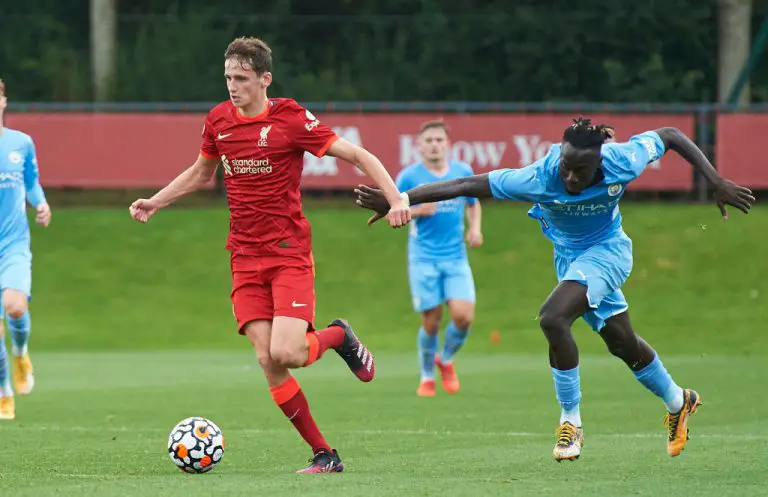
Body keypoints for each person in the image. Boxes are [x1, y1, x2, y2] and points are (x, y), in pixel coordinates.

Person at [355, 117, 754, 461]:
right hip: (570, 259)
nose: (570, 177)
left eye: (580, 171)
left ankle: (571, 422)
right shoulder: (539, 177)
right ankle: (678, 400)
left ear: (601, 160)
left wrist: (715, 181)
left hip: (609, 253)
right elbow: (466, 184)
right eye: (565, 167)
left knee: (553, 317)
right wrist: (398, 200)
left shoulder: (624, 159)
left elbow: (669, 135)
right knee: (621, 342)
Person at [129, 37, 411, 473]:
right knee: (267, 359)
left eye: (241, 78)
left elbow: (356, 154)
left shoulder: (290, 118)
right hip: (243, 257)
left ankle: (338, 336)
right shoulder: (218, 120)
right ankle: (324, 454)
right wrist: (156, 201)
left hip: (288, 254)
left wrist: (395, 199)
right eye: (227, 77)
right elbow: (202, 172)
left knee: (290, 353)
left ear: (265, 79)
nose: (232, 87)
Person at [395, 120, 483, 396]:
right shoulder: (409, 177)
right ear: (419, 146)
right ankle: (426, 376)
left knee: (463, 317)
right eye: (429, 140)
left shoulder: (462, 172)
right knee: (431, 321)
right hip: (423, 258)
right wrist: (419, 210)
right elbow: (392, 212)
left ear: (448, 144)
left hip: (456, 257)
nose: (434, 144)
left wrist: (475, 228)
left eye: (439, 140)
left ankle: (445, 360)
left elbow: (473, 202)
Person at [0, 78, 52, 420]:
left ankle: (20, 353)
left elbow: (31, 181)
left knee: (14, 307)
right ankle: (4, 393)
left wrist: (42, 203)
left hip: (13, 243)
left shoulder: (21, 143)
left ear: (3, 101)